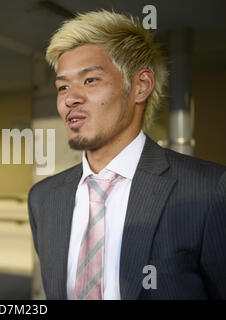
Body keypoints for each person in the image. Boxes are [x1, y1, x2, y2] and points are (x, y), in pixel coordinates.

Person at [28, 10, 226, 300]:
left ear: (140, 86)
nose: (70, 98)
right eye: (63, 86)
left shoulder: (209, 190)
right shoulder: (44, 198)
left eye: (91, 80)